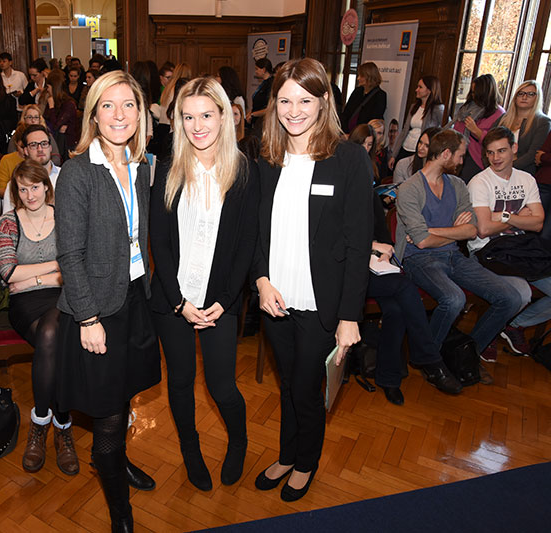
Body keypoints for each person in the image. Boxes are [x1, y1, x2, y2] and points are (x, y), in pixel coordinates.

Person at [251, 58, 373, 502]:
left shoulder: (348, 158)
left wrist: (349, 317)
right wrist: (261, 280)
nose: (294, 110)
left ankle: (306, 462)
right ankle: (287, 454)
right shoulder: (267, 157)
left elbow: (360, 245)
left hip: (320, 302)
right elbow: (256, 231)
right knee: (287, 383)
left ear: (324, 101)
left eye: (305, 99)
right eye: (285, 100)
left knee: (306, 386)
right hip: (275, 297)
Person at [55, 70, 160, 531]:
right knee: (107, 415)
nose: (120, 115)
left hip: (136, 297)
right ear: (93, 115)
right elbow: (69, 254)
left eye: (129, 105)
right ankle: (121, 511)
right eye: (108, 106)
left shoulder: (140, 168)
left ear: (140, 111)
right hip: (96, 309)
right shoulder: (79, 171)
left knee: (125, 393)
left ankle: (117, 463)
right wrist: (88, 318)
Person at [150, 77, 259, 491]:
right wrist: (178, 301)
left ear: (225, 117)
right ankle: (190, 449)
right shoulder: (168, 169)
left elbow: (247, 241)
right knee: (179, 383)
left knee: (221, 386)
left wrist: (227, 300)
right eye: (188, 116)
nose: (198, 126)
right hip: (172, 300)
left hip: (220, 302)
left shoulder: (244, 172)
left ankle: (239, 441)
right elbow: (159, 238)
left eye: (206, 115)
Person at [395, 129, 529, 363]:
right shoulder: (409, 188)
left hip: (454, 256)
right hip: (419, 259)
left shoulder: (457, 185)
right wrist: (450, 233)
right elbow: (422, 242)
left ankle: (466, 352)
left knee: (511, 298)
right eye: (460, 156)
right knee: (454, 298)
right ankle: (428, 358)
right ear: (446, 154)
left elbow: (472, 230)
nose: (461, 161)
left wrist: (433, 231)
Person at [0, 159, 79, 475]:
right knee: (51, 335)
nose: (30, 195)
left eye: (35, 186)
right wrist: (57, 268)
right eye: (23, 188)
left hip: (63, 298)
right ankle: (63, 423)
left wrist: (31, 277)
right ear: (16, 191)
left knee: (50, 335)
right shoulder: (8, 222)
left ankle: (42, 421)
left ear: (47, 186)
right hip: (24, 304)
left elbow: (77, 265)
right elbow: (7, 272)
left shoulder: (65, 216)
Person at [366, 184, 463, 405]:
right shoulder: (333, 188)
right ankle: (428, 358)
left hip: (374, 266)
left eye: (369, 146)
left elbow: (382, 233)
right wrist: (371, 246)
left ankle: (389, 379)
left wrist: (385, 250)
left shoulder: (366, 190)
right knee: (405, 287)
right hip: (343, 272)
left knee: (397, 309)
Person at [467, 126, 551, 356]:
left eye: (502, 151)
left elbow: (538, 223)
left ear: (514, 149)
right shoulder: (479, 182)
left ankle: (513, 325)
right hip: (487, 252)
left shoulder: (527, 179)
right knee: (522, 294)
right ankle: (487, 334)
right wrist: (520, 218)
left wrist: (504, 217)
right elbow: (484, 229)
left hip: (519, 250)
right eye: (491, 152)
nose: (496, 158)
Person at [451, 73, 505, 183]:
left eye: (476, 93)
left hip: (477, 159)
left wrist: (475, 130)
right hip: (459, 153)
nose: (474, 96)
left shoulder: (498, 114)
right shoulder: (467, 108)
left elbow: (495, 141)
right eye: (472, 92)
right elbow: (457, 129)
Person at [495, 80, 551, 175]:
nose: (524, 97)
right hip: (496, 170)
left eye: (530, 94)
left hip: (523, 174)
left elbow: (533, 154)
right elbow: (488, 144)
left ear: (537, 98)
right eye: (521, 93)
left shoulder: (543, 122)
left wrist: (506, 167)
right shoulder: (503, 118)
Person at [3, 125, 62, 211]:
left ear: (50, 147)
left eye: (44, 144)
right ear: (26, 151)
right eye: (33, 145)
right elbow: (8, 220)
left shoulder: (64, 176)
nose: (40, 149)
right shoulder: (16, 183)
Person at [390, 75, 444, 168]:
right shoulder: (414, 106)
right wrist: (394, 155)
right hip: (405, 148)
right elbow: (404, 131)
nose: (416, 90)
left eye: (420, 87)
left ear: (429, 90)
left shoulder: (438, 109)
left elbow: (447, 127)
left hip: (420, 152)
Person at [340, 62, 387, 134]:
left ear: (370, 77)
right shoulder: (357, 91)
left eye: (362, 76)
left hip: (363, 136)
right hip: (347, 133)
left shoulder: (380, 96)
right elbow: (346, 113)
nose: (358, 78)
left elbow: (374, 121)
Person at [43, 70, 79, 152]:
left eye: (48, 87)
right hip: (55, 142)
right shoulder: (54, 101)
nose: (47, 90)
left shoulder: (68, 104)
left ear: (54, 87)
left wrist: (51, 107)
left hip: (67, 146)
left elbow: (55, 126)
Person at [246, 58, 274, 130]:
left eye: (257, 69)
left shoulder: (271, 84)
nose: (256, 71)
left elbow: (269, 108)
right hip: (257, 121)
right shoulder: (265, 83)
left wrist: (253, 114)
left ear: (264, 70)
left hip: (264, 122)